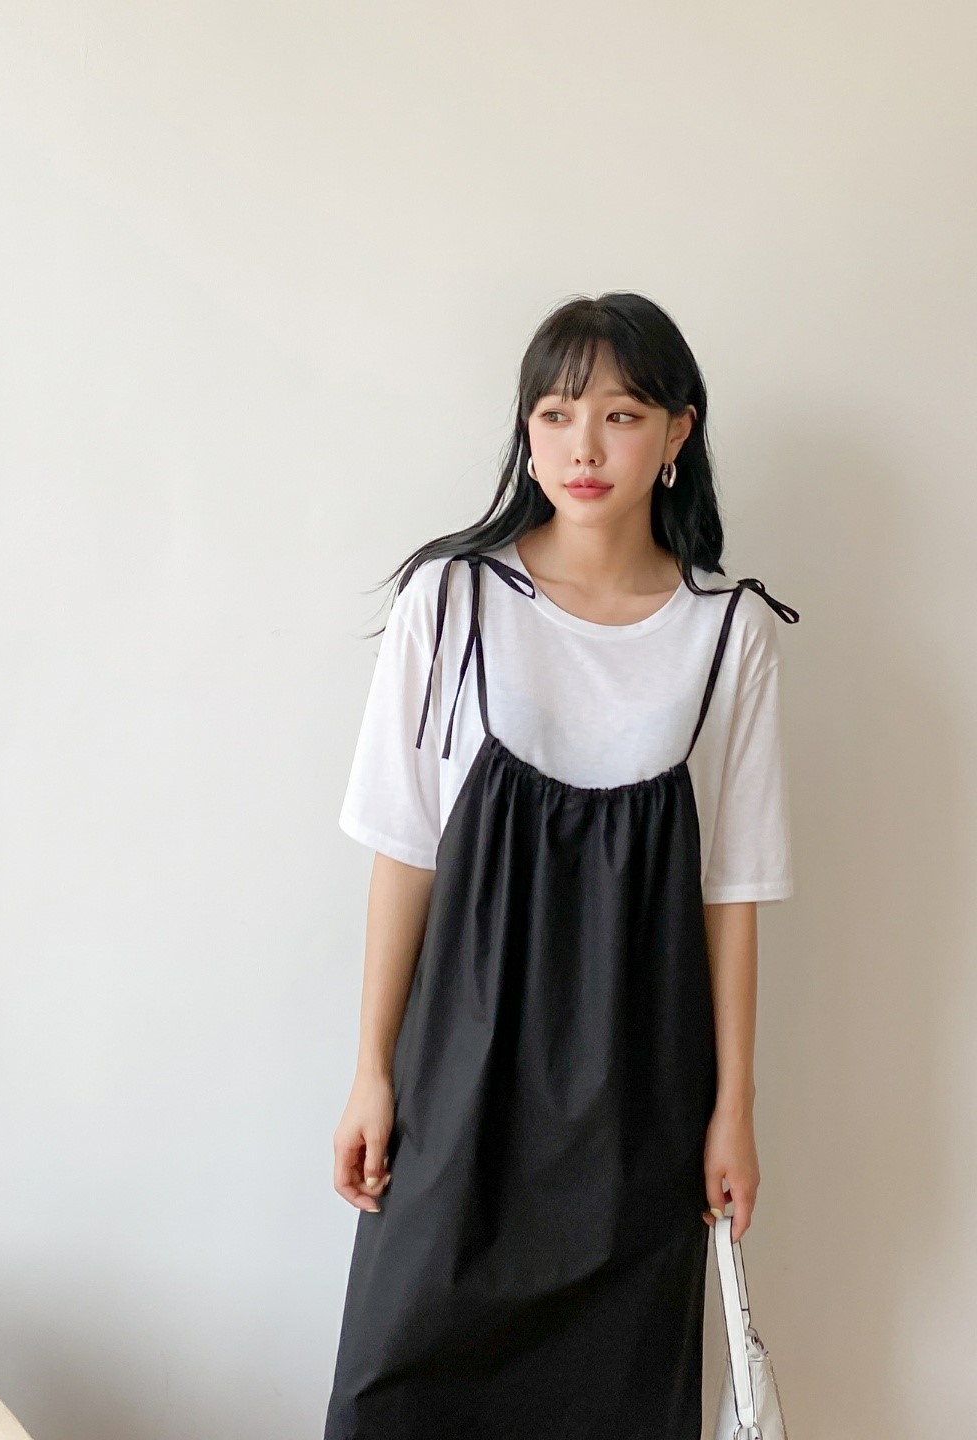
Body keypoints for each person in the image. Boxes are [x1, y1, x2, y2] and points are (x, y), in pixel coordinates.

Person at [323, 291, 800, 1440]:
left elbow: (731, 894)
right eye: (555, 413)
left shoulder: (727, 632)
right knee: (396, 1391)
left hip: (638, 1098)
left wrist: (733, 1109)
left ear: (678, 432)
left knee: (613, 1404)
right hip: (458, 1078)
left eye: (621, 415)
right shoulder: (452, 601)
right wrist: (372, 1071)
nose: (584, 446)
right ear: (527, 433)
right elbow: (405, 851)